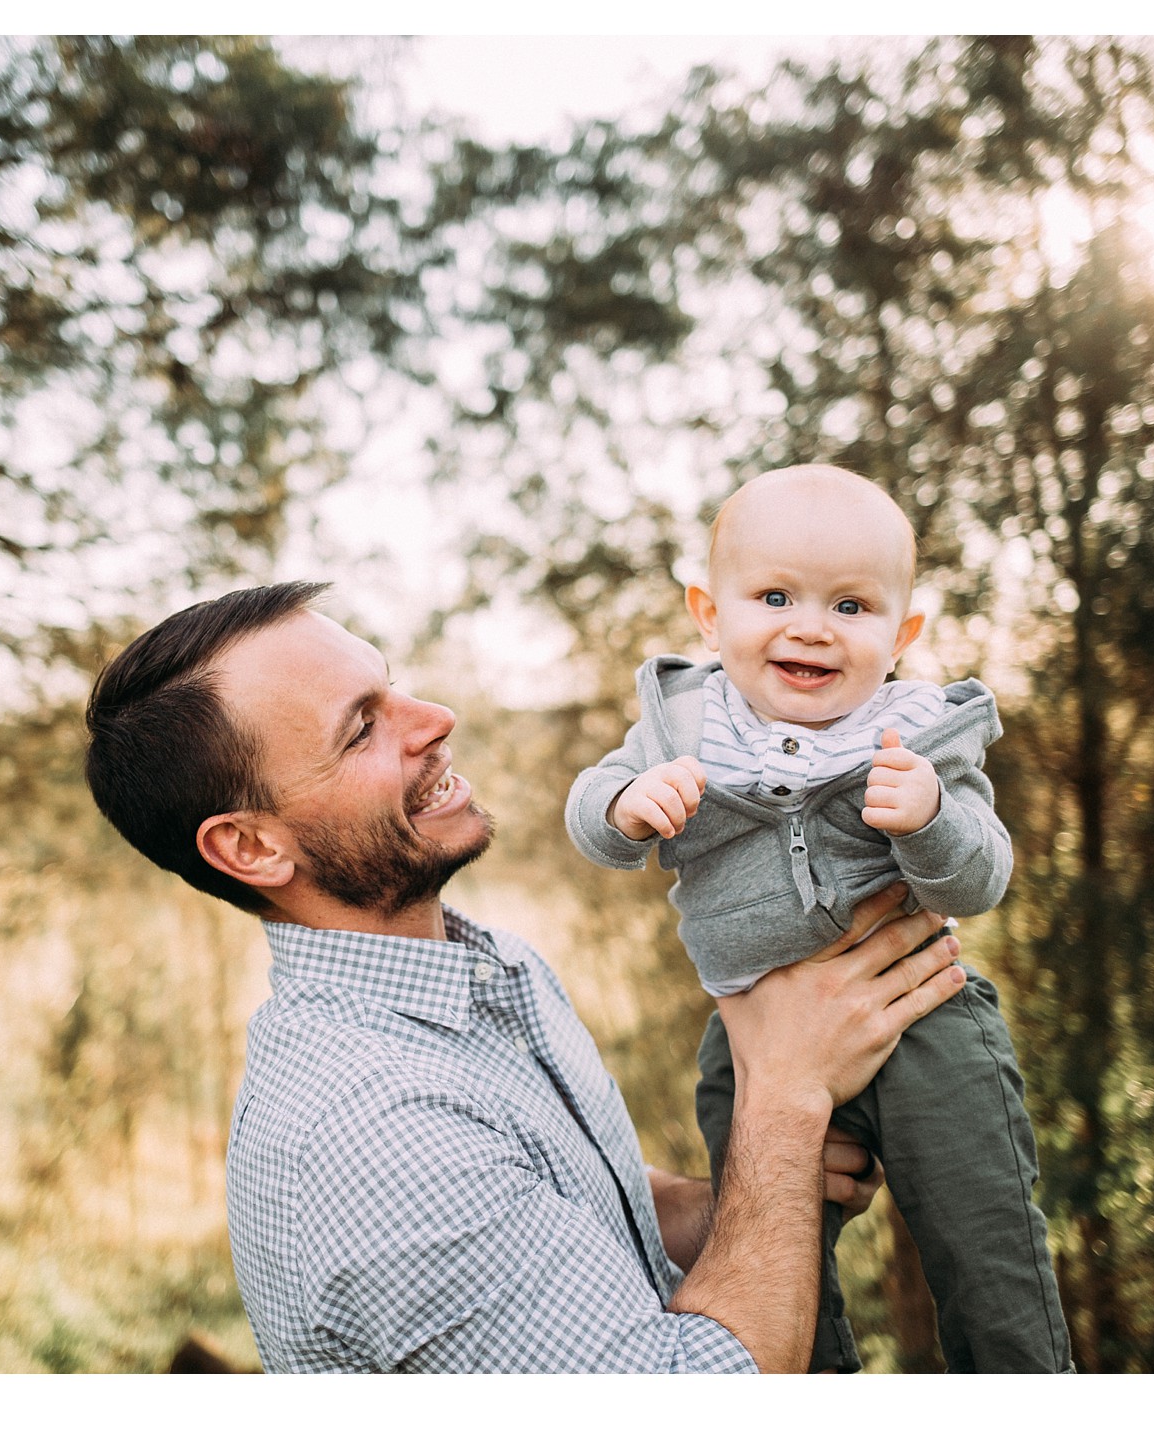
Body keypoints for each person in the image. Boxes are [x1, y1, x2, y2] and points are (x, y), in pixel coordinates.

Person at [84, 579, 968, 1372]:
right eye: (362, 727)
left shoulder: (488, 965)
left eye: (392, 684)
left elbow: (587, 1213)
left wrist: (744, 1197)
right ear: (250, 846)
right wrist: (785, 1098)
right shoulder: (377, 1137)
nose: (432, 718)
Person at [565, 465, 1070, 1372]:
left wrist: (931, 818)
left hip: (924, 1023)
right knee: (767, 1248)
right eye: (774, 595)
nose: (810, 626)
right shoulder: (683, 724)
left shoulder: (918, 731)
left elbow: (981, 877)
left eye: (851, 605)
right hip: (751, 1036)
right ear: (709, 614)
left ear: (902, 633)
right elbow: (590, 810)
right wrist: (625, 805)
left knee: (983, 1238)